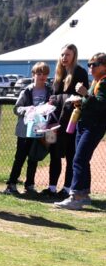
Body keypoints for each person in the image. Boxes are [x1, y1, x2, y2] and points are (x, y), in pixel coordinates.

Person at [54, 51, 106, 211]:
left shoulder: (104, 83)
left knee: (79, 159)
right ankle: (83, 195)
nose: (90, 67)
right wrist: (80, 100)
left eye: (94, 65)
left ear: (104, 66)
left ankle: (75, 196)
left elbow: (101, 106)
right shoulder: (95, 82)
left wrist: (85, 95)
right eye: (89, 64)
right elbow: (91, 103)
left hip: (94, 126)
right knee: (82, 159)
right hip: (84, 125)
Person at [45, 44, 89, 198]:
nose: (64, 57)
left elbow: (83, 98)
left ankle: (66, 189)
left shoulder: (80, 72)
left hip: (71, 122)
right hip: (54, 122)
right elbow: (52, 96)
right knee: (54, 154)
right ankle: (51, 188)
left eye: (68, 55)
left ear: (74, 56)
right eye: (62, 54)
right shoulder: (58, 73)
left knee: (71, 155)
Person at [4, 63, 52, 196]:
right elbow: (16, 108)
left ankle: (29, 185)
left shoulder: (50, 91)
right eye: (39, 73)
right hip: (25, 130)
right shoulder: (27, 91)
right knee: (20, 157)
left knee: (34, 158)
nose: (42, 76)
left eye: (45, 74)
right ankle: (11, 184)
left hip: (40, 130)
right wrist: (27, 109)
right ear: (33, 75)